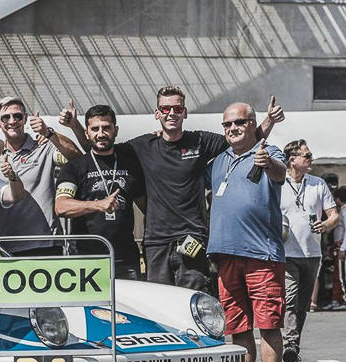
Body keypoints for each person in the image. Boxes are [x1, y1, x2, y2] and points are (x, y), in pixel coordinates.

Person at [62, 87, 284, 290]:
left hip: (192, 238)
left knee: (194, 304)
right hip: (156, 242)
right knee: (159, 309)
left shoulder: (200, 141)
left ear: (184, 112)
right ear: (156, 113)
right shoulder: (143, 146)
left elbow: (245, 141)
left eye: (177, 108)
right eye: (165, 109)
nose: (171, 113)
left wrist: (269, 121)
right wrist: (74, 126)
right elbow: (100, 145)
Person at [206, 102, 287, 362]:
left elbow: (279, 173)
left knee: (268, 325)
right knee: (237, 328)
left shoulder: (269, 151)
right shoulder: (218, 161)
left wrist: (267, 162)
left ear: (253, 123)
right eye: (227, 124)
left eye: (239, 122)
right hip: (226, 256)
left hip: (261, 255)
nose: (232, 129)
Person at [55, 105, 146, 279]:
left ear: (116, 130)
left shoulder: (131, 165)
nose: (101, 133)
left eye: (106, 127)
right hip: (86, 260)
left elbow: (147, 208)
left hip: (125, 260)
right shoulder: (75, 167)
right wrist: (98, 205)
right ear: (87, 133)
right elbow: (61, 207)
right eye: (95, 129)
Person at [0, 96, 82, 256]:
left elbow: (77, 160)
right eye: (5, 117)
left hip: (47, 244)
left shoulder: (44, 147)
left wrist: (49, 133)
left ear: (25, 119)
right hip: (8, 248)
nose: (12, 121)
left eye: (17, 116)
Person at [280, 140, 339, 362]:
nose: (311, 159)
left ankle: (293, 346)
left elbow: (333, 215)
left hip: (311, 253)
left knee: (302, 305)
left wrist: (325, 225)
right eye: (307, 155)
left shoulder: (318, 183)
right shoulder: (277, 183)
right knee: (291, 299)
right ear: (292, 159)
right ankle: (289, 345)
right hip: (286, 254)